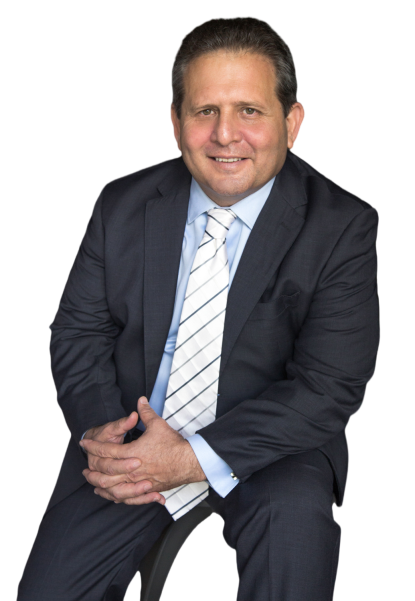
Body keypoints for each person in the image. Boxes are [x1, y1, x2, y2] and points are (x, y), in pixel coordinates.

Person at [17, 16, 380, 601]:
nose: (225, 135)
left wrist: (190, 459)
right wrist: (103, 434)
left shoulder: (342, 226)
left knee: (292, 535)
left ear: (292, 123)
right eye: (205, 111)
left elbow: (329, 385)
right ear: (175, 123)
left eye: (249, 111)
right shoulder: (120, 204)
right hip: (134, 442)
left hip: (272, 447)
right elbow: (78, 332)